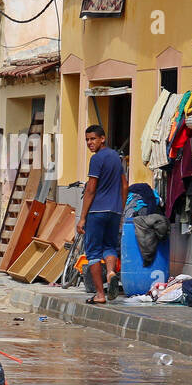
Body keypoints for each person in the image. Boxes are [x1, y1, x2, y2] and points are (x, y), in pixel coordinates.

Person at [77, 124, 126, 304]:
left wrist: (82, 217)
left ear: (102, 139)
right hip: (114, 211)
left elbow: (91, 189)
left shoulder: (97, 159)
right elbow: (125, 185)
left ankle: (100, 294)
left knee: (93, 254)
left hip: (97, 211)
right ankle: (111, 273)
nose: (90, 143)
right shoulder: (116, 157)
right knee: (110, 247)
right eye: (87, 140)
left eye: (93, 139)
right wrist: (120, 210)